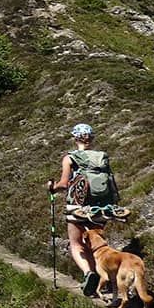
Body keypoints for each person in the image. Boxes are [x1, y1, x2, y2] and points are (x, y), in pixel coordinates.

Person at [46, 123, 123, 297]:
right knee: (94, 244)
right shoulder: (102, 156)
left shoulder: (70, 157)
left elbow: (64, 184)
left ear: (75, 139)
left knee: (76, 243)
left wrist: (52, 187)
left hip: (78, 206)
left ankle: (89, 273)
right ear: (92, 138)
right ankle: (103, 277)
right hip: (102, 207)